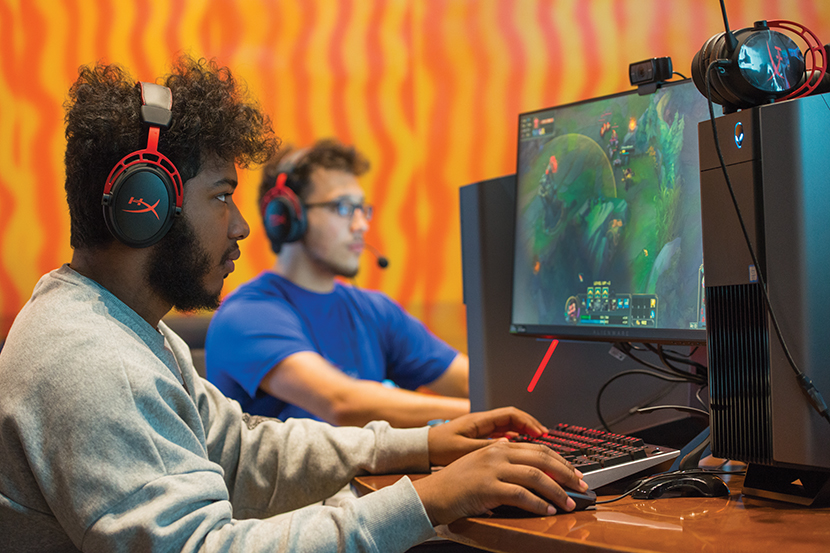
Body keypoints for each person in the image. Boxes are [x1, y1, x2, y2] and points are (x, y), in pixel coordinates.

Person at [0, 56, 588, 552]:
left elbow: (244, 451)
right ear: (145, 203)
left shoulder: (130, 331)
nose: (241, 226)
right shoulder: (94, 362)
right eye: (222, 196)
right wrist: (429, 499)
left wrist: (427, 444)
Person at [205, 139, 470, 427]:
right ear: (286, 216)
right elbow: (341, 403)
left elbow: (472, 382)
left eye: (362, 209)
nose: (361, 226)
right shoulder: (247, 315)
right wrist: (482, 414)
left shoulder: (375, 310)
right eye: (343, 207)